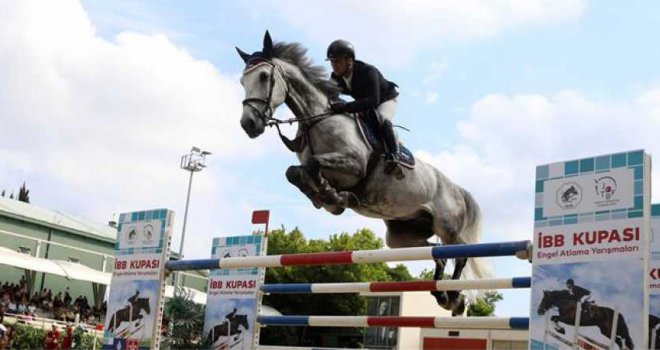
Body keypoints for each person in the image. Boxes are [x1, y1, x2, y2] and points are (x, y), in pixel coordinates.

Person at [326, 39, 404, 179]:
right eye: (331, 62)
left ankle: (394, 156)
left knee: (382, 118)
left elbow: (373, 101)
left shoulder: (368, 71)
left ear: (349, 60)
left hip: (385, 99)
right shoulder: (335, 77)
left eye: (337, 61)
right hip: (365, 101)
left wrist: (346, 107)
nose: (334, 66)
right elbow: (329, 96)